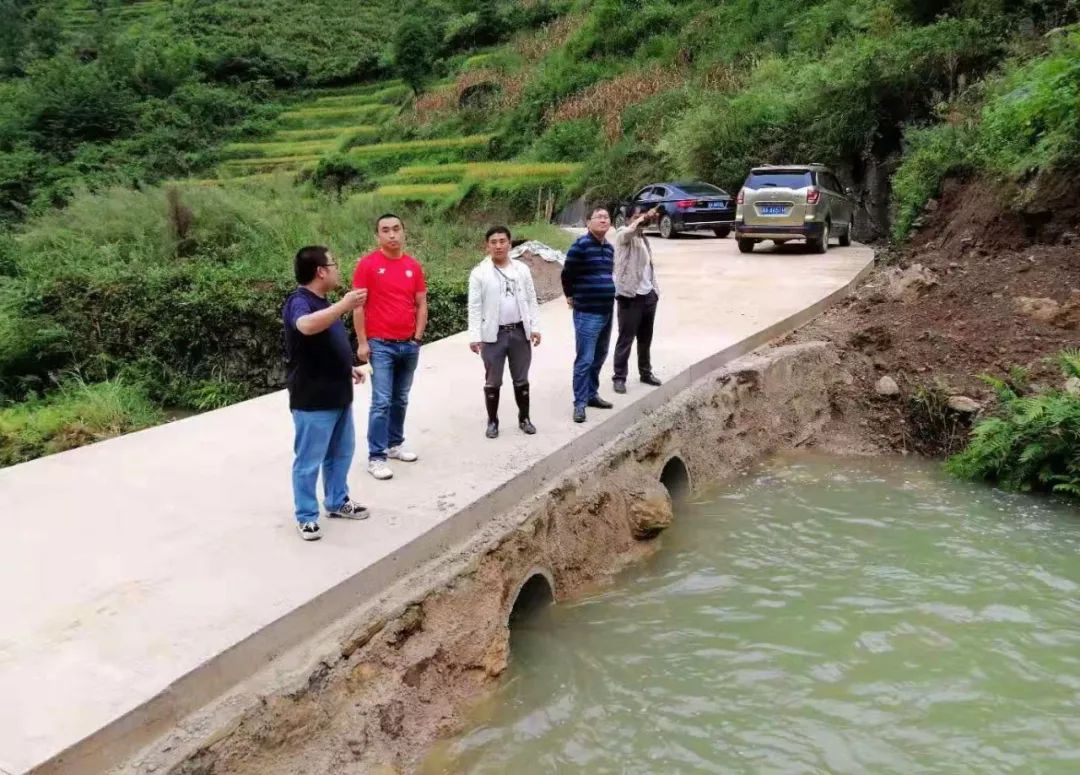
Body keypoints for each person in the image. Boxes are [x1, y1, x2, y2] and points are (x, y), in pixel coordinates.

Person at [283, 246, 370, 541]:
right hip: (313, 399)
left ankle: (336, 501)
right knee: (309, 460)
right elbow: (305, 327)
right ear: (320, 271)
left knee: (340, 454)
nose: (337, 269)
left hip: (339, 393)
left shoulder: (323, 301)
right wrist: (343, 306)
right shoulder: (300, 301)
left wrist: (347, 367)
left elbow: (324, 344)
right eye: (333, 263)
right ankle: (306, 516)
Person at [353, 213, 427, 481]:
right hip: (380, 344)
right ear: (378, 236)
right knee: (381, 401)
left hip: (408, 344)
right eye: (386, 230)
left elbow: (421, 303)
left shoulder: (413, 266)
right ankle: (376, 456)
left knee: (401, 398)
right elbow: (357, 306)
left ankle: (395, 444)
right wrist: (362, 342)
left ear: (403, 231)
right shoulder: (368, 265)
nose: (392, 234)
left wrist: (417, 336)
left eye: (396, 229)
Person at [468, 226, 542, 439]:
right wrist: (475, 336)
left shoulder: (521, 270)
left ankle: (524, 418)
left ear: (510, 244)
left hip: (519, 331)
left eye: (502, 241)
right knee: (493, 380)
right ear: (487, 245)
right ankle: (492, 421)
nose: (498, 245)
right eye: (494, 242)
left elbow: (531, 299)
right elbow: (474, 307)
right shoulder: (479, 273)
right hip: (493, 335)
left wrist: (535, 327)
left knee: (521, 378)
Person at [561, 206, 616, 423]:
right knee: (585, 359)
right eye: (599, 217)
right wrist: (570, 296)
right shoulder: (580, 246)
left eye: (606, 217)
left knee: (600, 356)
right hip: (587, 313)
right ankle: (580, 403)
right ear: (588, 222)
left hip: (606, 311)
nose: (603, 220)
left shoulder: (610, 249)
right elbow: (567, 274)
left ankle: (592, 395)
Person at [612, 206, 663, 394]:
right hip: (630, 296)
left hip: (648, 295)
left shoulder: (642, 237)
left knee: (645, 338)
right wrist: (641, 219)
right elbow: (629, 232)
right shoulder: (622, 235)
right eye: (635, 216)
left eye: (642, 215)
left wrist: (654, 292)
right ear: (627, 220)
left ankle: (645, 372)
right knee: (626, 338)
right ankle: (619, 377)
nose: (640, 219)